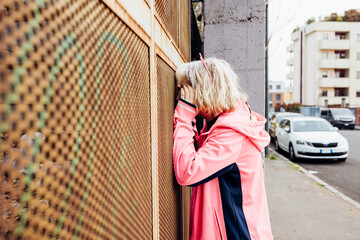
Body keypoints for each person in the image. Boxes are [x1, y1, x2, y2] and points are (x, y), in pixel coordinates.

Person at [173, 55, 273, 240]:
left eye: (186, 89)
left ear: (203, 91)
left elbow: (187, 172)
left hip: (237, 233)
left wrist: (185, 116)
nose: (182, 95)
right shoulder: (224, 120)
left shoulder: (232, 133)